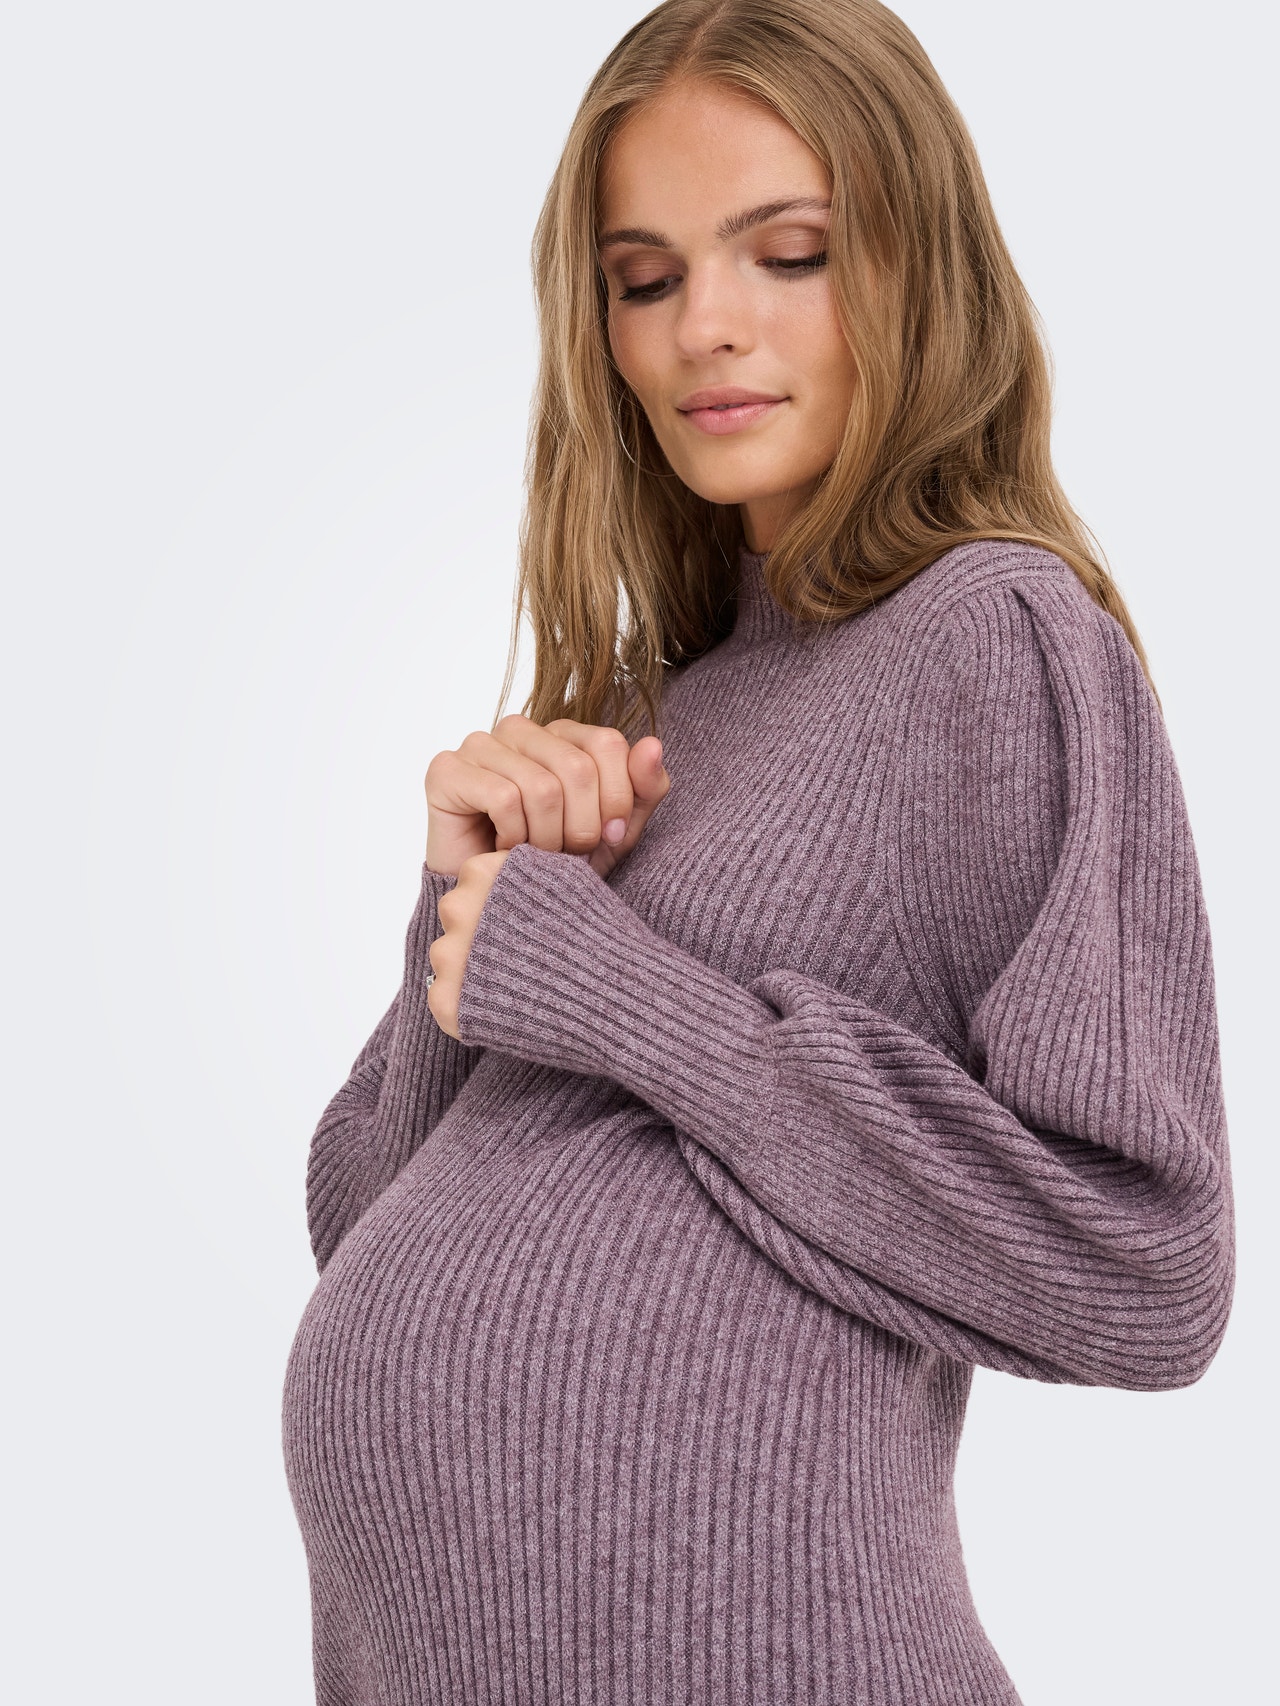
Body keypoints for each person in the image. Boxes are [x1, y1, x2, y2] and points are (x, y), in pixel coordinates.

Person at [281, 2, 1236, 1701]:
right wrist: (462, 902)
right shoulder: (656, 709)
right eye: (644, 279)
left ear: (920, 264)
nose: (705, 327)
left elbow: (1145, 1266)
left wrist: (626, 997)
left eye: (787, 252)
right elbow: (362, 1230)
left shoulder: (995, 637)